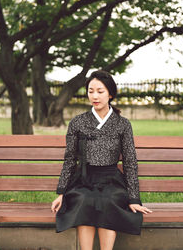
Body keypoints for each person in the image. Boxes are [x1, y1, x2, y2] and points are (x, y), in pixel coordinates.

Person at [51, 70, 152, 250]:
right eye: (91, 91)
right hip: (83, 179)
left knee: (109, 200)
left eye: (100, 91)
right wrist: (61, 192)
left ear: (110, 93)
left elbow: (130, 162)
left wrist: (134, 198)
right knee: (84, 199)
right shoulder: (78, 122)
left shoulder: (122, 124)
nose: (94, 96)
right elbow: (69, 160)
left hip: (112, 179)